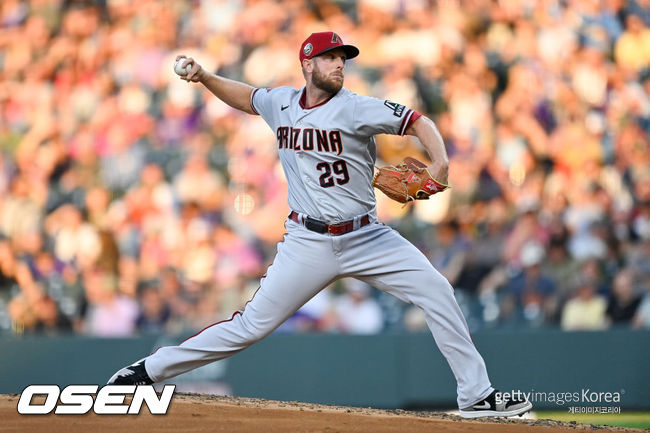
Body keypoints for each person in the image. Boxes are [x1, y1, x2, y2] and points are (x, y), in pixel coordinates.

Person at [107, 32, 531, 418]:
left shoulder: (357, 107)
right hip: (307, 241)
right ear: (307, 65)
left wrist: (439, 161)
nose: (339, 65)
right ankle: (148, 370)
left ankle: (476, 395)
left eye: (343, 59)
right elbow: (247, 97)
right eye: (330, 58)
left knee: (437, 290)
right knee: (250, 325)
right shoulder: (282, 103)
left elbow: (419, 121)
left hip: (367, 235)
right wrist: (205, 77)